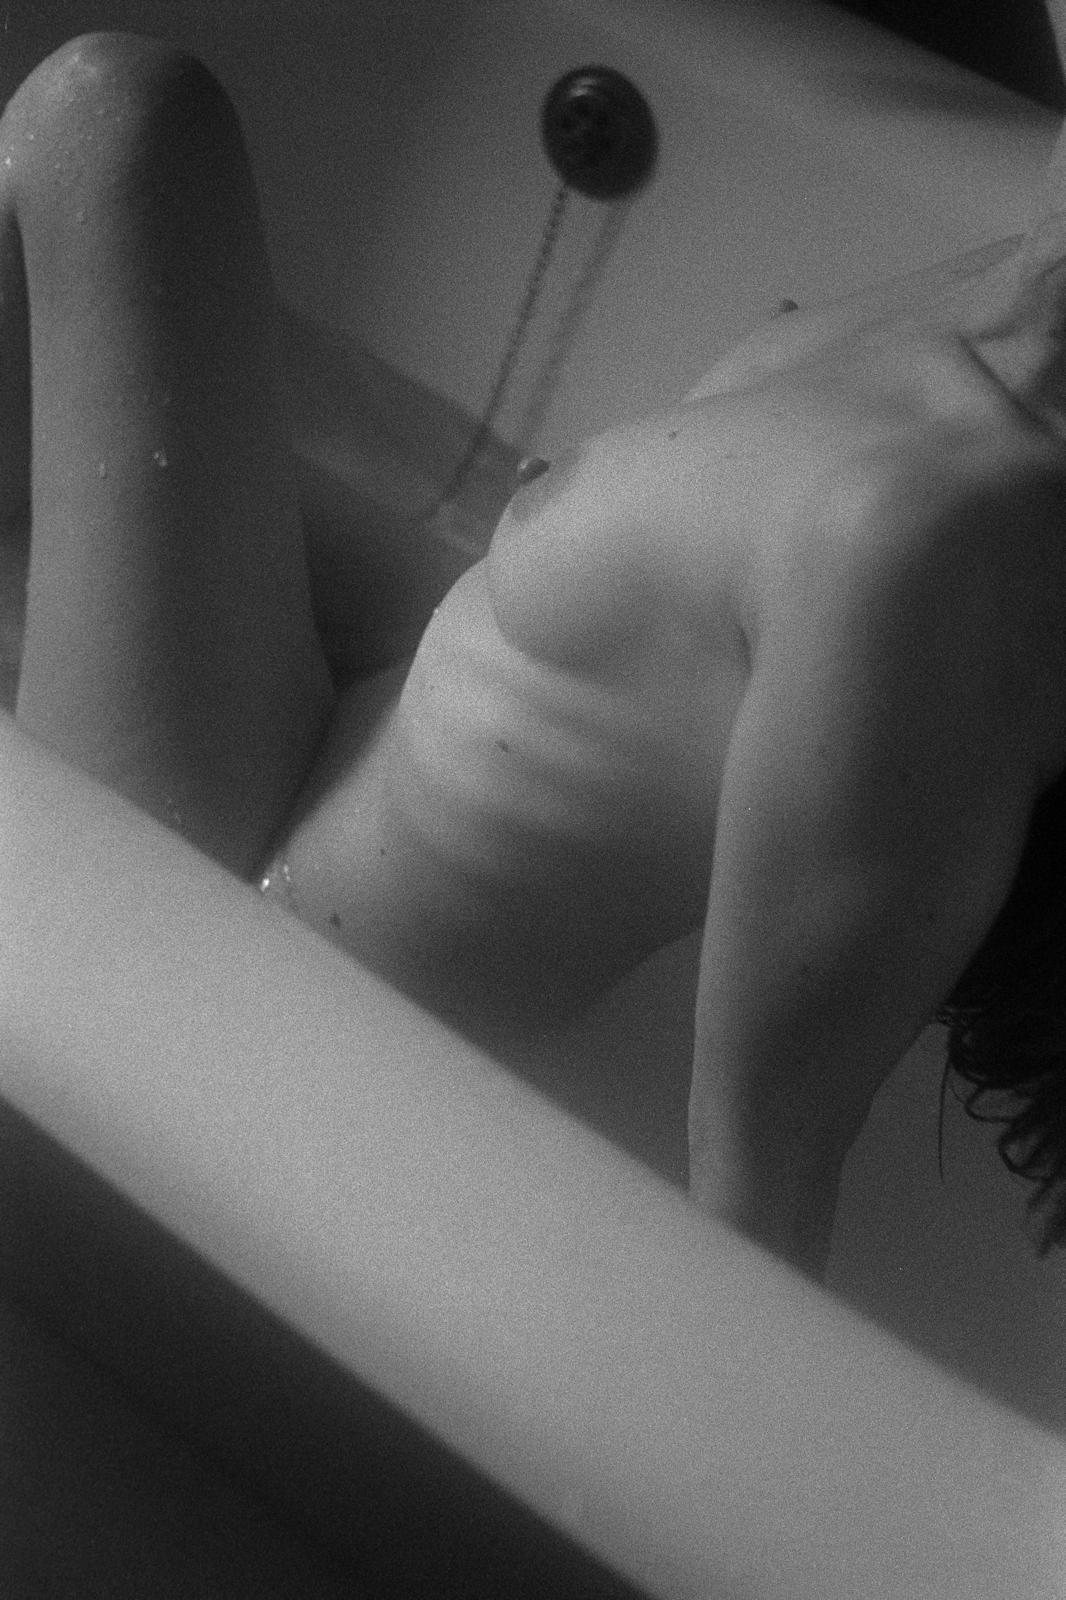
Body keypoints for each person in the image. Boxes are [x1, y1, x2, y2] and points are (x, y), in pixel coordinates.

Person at [4, 29, 1066, 1283]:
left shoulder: (932, 544)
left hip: (252, 923)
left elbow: (758, 1187)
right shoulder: (1008, 283)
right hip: (393, 706)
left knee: (114, 117)